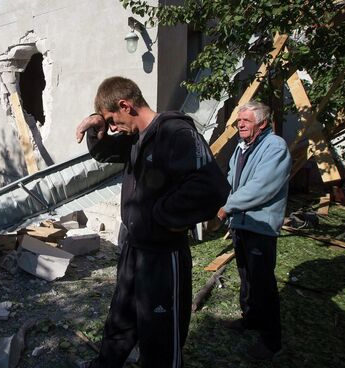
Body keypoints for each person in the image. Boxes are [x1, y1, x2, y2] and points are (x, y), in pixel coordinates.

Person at [75, 76, 230, 368]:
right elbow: (104, 151)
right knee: (121, 318)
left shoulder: (175, 133)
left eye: (112, 119)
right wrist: (97, 124)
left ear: (125, 105)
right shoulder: (138, 136)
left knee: (160, 333)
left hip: (163, 255)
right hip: (135, 250)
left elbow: (214, 188)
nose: (112, 128)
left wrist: (163, 217)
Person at [216, 101, 291, 360]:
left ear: (262, 123)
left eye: (246, 120)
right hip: (242, 224)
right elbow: (231, 181)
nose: (241, 124)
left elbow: (261, 187)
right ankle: (250, 320)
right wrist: (216, 197)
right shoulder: (242, 147)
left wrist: (227, 206)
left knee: (263, 284)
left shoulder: (275, 147)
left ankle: (272, 342)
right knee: (246, 277)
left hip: (261, 226)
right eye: (239, 120)